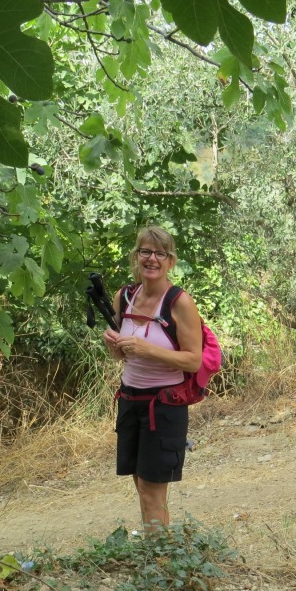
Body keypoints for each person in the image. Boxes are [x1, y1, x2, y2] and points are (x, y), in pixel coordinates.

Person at [103, 226, 203, 532]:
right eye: (146, 251)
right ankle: (155, 557)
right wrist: (114, 346)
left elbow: (194, 359)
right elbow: (123, 357)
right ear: (136, 256)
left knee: (152, 489)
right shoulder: (125, 296)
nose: (152, 259)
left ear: (170, 261)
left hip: (163, 406)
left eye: (161, 253)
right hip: (130, 399)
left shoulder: (179, 302)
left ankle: (160, 563)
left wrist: (146, 348)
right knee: (140, 484)